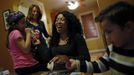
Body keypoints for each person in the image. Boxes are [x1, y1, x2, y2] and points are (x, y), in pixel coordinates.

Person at [66, 1, 134, 75]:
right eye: (105, 32)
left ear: (128, 27)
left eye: (109, 32)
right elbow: (101, 65)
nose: (106, 37)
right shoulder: (111, 49)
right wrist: (77, 64)